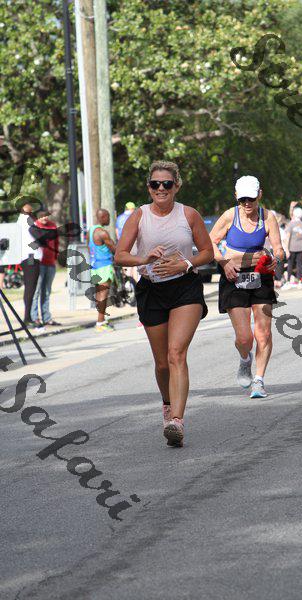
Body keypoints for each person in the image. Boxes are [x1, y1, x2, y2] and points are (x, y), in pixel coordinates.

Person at [115, 160, 213, 447]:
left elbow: (207, 252)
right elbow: (120, 255)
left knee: (176, 353)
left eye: (167, 184)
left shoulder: (189, 214)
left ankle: (177, 421)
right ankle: (168, 404)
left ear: (176, 186)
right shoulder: (139, 216)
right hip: (152, 290)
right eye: (155, 184)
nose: (161, 188)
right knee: (161, 364)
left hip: (185, 289)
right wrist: (143, 259)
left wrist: (185, 263)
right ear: (149, 188)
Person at [210, 175, 284, 398]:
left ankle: (259, 380)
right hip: (234, 276)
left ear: (259, 194)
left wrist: (276, 259)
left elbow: (279, 249)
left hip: (261, 275)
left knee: (263, 333)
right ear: (236, 197)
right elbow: (210, 242)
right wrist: (224, 263)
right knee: (244, 338)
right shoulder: (229, 216)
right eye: (242, 199)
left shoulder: (268, 217)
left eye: (251, 198)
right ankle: (245, 359)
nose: (247, 203)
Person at [29, 209, 61, 328]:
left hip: (50, 262)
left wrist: (56, 257)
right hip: (39, 263)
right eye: (42, 216)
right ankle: (35, 317)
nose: (44, 218)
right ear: (38, 217)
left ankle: (46, 317)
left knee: (46, 291)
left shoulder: (52, 226)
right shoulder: (34, 227)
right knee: (37, 291)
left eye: (46, 216)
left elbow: (56, 243)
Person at [88, 209, 116, 333]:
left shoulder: (91, 231)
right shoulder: (102, 233)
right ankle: (100, 322)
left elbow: (89, 248)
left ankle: (101, 320)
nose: (109, 219)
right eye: (108, 216)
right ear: (103, 217)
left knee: (99, 294)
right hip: (104, 265)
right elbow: (114, 249)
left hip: (94, 265)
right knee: (103, 295)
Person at [17, 203, 43, 325]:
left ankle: (28, 317)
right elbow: (36, 234)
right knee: (30, 288)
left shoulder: (20, 221)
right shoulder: (27, 220)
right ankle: (27, 318)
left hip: (26, 257)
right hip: (31, 258)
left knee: (29, 288)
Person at [283, 206, 302, 289]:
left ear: (294, 214)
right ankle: (300, 282)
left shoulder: (290, 224)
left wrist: (286, 249)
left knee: (290, 264)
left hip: (291, 248)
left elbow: (287, 237)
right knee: (299, 265)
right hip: (301, 248)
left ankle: (288, 282)